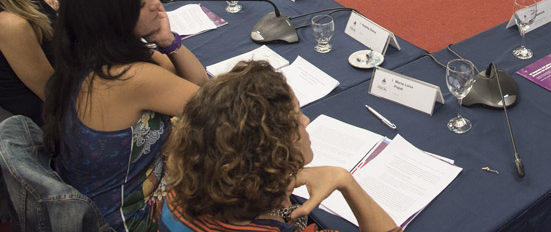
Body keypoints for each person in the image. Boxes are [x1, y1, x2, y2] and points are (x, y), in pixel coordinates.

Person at [42, 0, 208, 232]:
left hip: (103, 203)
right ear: (115, 18)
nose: (155, 3)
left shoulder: (86, 54)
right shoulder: (130, 77)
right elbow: (211, 105)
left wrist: (166, 41)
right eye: (141, 2)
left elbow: (195, 81)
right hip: (132, 219)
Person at [158, 61, 399, 232]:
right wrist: (344, 180)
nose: (306, 120)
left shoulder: (177, 195)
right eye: (296, 116)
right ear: (271, 149)